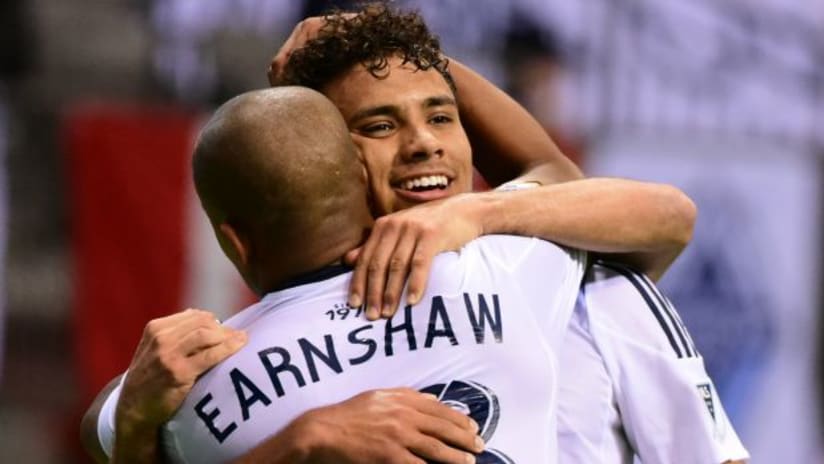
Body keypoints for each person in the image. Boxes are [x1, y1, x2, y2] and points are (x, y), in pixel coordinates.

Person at [83, 4, 740, 463]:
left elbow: (641, 210)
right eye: (378, 127)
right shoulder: (514, 266)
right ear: (330, 159)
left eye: (443, 116)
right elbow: (604, 194)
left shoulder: (555, 259)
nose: (424, 144)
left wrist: (478, 211)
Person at [144, 85, 590, 463]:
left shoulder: (194, 397)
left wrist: (299, 443)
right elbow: (573, 184)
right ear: (363, 175)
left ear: (234, 242)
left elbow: (103, 427)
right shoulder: (502, 264)